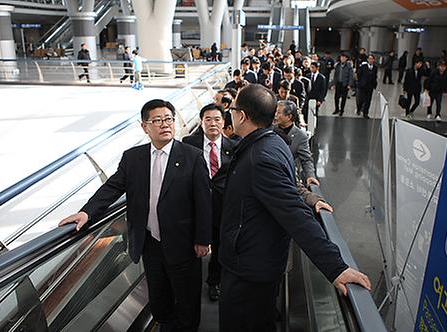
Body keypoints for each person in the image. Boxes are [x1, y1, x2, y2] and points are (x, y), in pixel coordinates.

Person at [219, 84, 371, 331]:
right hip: (253, 258)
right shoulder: (271, 143)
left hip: (248, 269)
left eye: (233, 108)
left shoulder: (260, 157)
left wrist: (336, 267)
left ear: (242, 116)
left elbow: (295, 215)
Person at [59, 99, 212, 331]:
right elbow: (112, 188)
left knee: (188, 302)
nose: (165, 125)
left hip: (184, 244)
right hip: (150, 245)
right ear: (145, 127)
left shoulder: (192, 156)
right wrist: (87, 213)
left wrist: (203, 239)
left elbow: (203, 202)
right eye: (157, 120)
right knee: (159, 302)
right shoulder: (133, 158)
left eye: (169, 119)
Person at [183, 104, 237, 303]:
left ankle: (214, 281)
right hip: (195, 207)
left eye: (217, 119)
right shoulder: (189, 144)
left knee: (220, 247)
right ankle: (189, 284)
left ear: (224, 123)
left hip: (223, 208)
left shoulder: (234, 147)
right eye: (208, 119)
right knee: (192, 246)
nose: (213, 123)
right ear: (201, 122)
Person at [274, 100, 319, 186]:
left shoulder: (300, 136)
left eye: (279, 113)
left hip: (288, 178)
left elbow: (306, 159)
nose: (276, 115)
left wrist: (310, 176)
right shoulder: (271, 129)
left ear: (288, 117)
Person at [356, 54, 378, 119]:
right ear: (367, 60)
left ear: (374, 60)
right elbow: (359, 74)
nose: (371, 60)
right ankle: (359, 108)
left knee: (368, 100)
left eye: (372, 59)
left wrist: (374, 84)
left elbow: (375, 76)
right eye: (369, 59)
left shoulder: (375, 68)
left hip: (370, 86)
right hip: (363, 86)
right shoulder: (363, 66)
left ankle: (365, 112)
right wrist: (360, 82)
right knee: (361, 99)